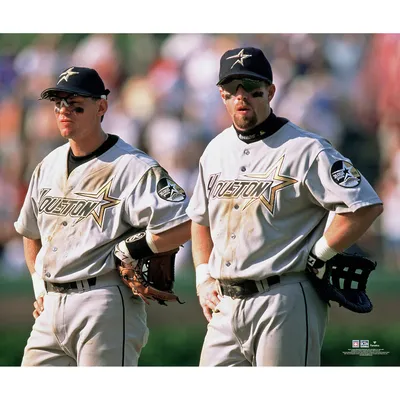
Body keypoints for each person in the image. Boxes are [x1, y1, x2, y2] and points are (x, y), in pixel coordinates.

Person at [186, 47, 383, 366]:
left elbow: (363, 206)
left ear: (270, 91)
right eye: (233, 90)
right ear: (222, 94)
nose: (242, 97)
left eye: (251, 88)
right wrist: (203, 277)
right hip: (226, 304)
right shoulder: (215, 150)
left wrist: (322, 252)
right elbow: (199, 218)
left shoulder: (306, 148)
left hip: (285, 296)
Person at [14, 66, 191, 366]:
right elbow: (30, 231)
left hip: (103, 302)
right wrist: (38, 286)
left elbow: (186, 222)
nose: (64, 110)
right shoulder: (48, 164)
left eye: (75, 103)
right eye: (58, 103)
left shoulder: (133, 166)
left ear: (101, 107)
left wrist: (134, 248)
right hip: (51, 305)